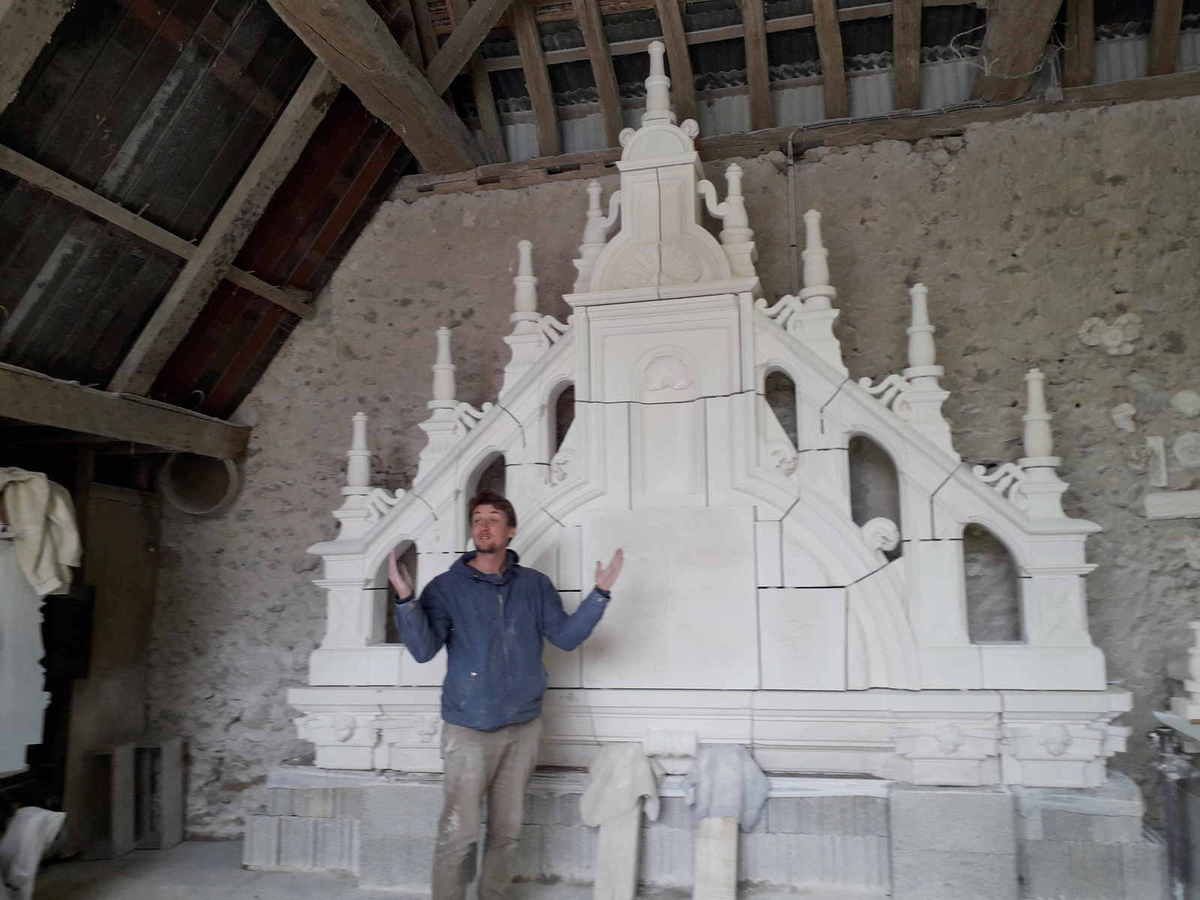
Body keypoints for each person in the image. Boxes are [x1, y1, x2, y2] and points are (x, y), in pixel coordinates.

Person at [388, 490, 623, 900]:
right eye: (477, 518)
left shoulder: (534, 585)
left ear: (511, 530)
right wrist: (406, 599)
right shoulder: (446, 588)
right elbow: (423, 650)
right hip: (469, 727)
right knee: (458, 833)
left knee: (507, 832)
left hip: (522, 727)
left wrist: (599, 595)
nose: (483, 525)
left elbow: (566, 637)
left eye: (494, 518)